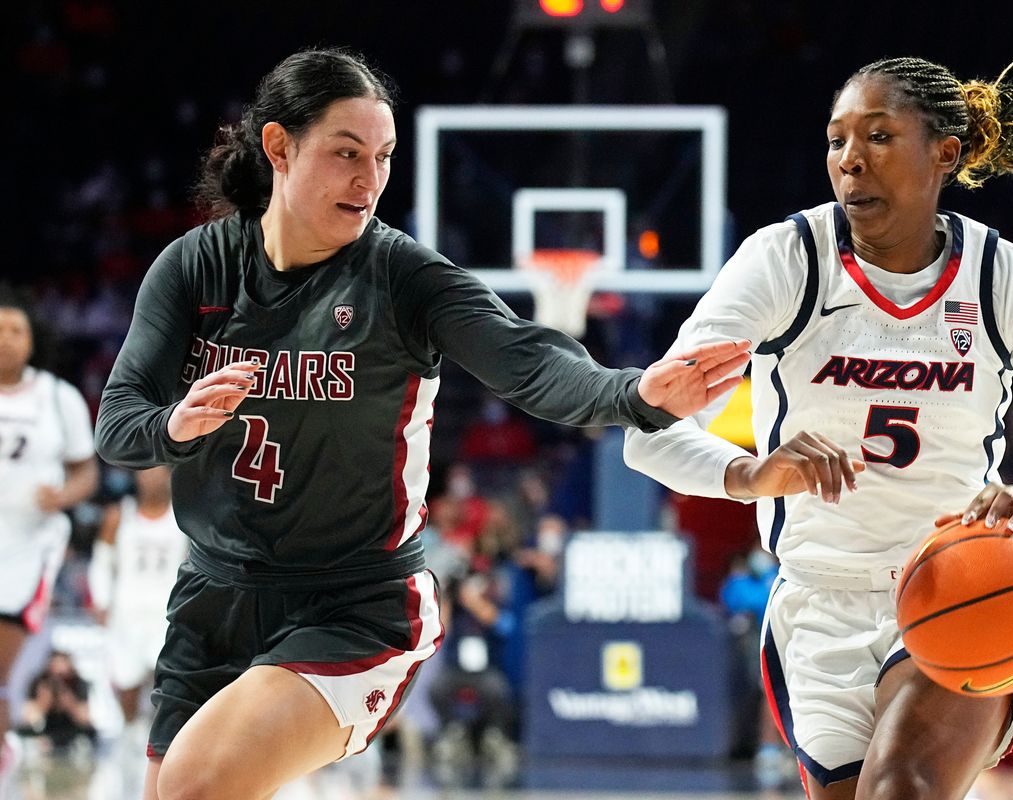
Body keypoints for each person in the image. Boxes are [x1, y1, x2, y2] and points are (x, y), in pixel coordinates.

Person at [93, 47, 749, 800]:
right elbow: (118, 424)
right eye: (346, 154)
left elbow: (531, 361)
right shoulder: (194, 268)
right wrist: (175, 424)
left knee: (197, 786)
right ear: (278, 146)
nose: (369, 179)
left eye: (383, 157)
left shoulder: (402, 277)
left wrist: (635, 392)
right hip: (212, 596)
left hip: (354, 605)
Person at [625, 56, 1013, 800]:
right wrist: (749, 473)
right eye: (836, 141)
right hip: (817, 604)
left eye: (879, 136)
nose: (850, 160)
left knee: (902, 789)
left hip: (961, 584)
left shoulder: (1007, 278)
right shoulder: (784, 261)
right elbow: (648, 433)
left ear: (946, 154)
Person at [0, 290, 99, 789]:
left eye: (15, 330)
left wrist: (61, 496)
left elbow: (86, 472)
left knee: (2, 657)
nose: (5, 339)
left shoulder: (57, 397)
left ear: (32, 341)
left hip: (30, 542)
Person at [87, 465, 187, 794]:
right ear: (137, 477)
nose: (152, 478)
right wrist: (101, 600)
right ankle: (127, 748)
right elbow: (101, 562)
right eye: (146, 472)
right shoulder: (120, 516)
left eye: (158, 472)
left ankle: (159, 757)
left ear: (170, 476)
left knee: (164, 693)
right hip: (127, 615)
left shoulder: (183, 520)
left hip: (166, 614)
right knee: (127, 689)